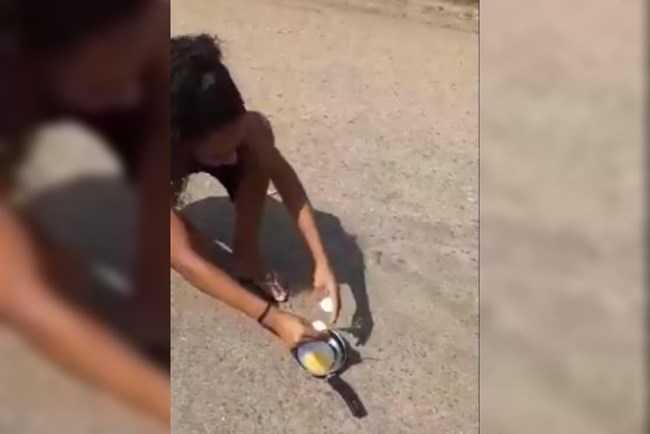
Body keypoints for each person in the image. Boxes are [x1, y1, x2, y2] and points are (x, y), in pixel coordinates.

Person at [170, 34, 341, 323]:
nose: (232, 160)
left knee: (259, 137)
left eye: (234, 144)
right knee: (178, 245)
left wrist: (322, 263)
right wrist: (274, 320)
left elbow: (286, 182)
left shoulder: (244, 126)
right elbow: (183, 260)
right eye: (220, 153)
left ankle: (246, 256)